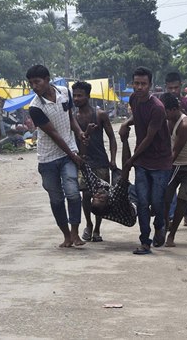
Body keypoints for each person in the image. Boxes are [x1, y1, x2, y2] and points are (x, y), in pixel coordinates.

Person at [27, 64, 86, 248]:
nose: (34, 87)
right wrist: (73, 154)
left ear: (47, 79)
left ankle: (75, 234)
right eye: (31, 84)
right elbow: (53, 133)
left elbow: (70, 118)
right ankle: (66, 235)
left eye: (37, 82)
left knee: (73, 194)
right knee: (56, 199)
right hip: (47, 158)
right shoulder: (35, 107)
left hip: (68, 153)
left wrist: (79, 132)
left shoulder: (64, 92)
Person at [119, 66, 172, 255]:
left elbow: (149, 138)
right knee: (142, 201)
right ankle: (145, 242)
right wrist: (126, 122)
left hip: (160, 161)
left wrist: (130, 159)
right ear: (132, 84)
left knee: (157, 202)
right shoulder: (133, 99)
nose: (139, 87)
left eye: (143, 84)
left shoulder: (157, 108)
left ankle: (160, 225)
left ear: (150, 85)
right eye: (136, 83)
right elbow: (137, 117)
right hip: (142, 161)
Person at [72, 81, 117, 242]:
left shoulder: (100, 115)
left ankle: (97, 228)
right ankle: (89, 224)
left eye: (80, 95)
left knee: (101, 197)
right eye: (74, 95)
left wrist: (112, 159)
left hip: (101, 162)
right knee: (85, 195)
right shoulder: (73, 118)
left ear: (88, 96)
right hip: (83, 162)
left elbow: (112, 138)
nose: (76, 99)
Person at [160, 93, 187, 247]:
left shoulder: (185, 125)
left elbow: (174, 153)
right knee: (165, 197)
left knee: (182, 200)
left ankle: (172, 235)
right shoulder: (169, 120)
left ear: (173, 109)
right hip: (175, 163)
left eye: (165, 112)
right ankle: (165, 224)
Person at [164, 72, 187, 225]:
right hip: (171, 150)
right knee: (169, 190)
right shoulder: (163, 104)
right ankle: (170, 217)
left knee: (186, 191)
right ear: (167, 87)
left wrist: (181, 111)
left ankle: (186, 213)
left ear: (180, 86)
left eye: (176, 87)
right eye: (170, 88)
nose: (173, 90)